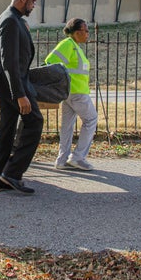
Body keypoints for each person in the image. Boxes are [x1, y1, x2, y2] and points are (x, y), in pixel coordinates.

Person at [0, 0, 44, 195]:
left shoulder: (14, 20)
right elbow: (9, 61)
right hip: (14, 84)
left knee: (7, 130)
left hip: (9, 83)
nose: (33, 5)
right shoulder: (10, 21)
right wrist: (20, 94)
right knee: (35, 121)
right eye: (32, 1)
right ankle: (12, 172)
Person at [45, 17, 97, 171]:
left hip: (70, 93)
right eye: (85, 30)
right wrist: (62, 82)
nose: (88, 34)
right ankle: (78, 157)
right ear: (75, 32)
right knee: (91, 119)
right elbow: (50, 62)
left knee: (67, 126)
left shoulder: (74, 46)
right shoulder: (68, 44)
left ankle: (62, 160)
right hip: (77, 93)